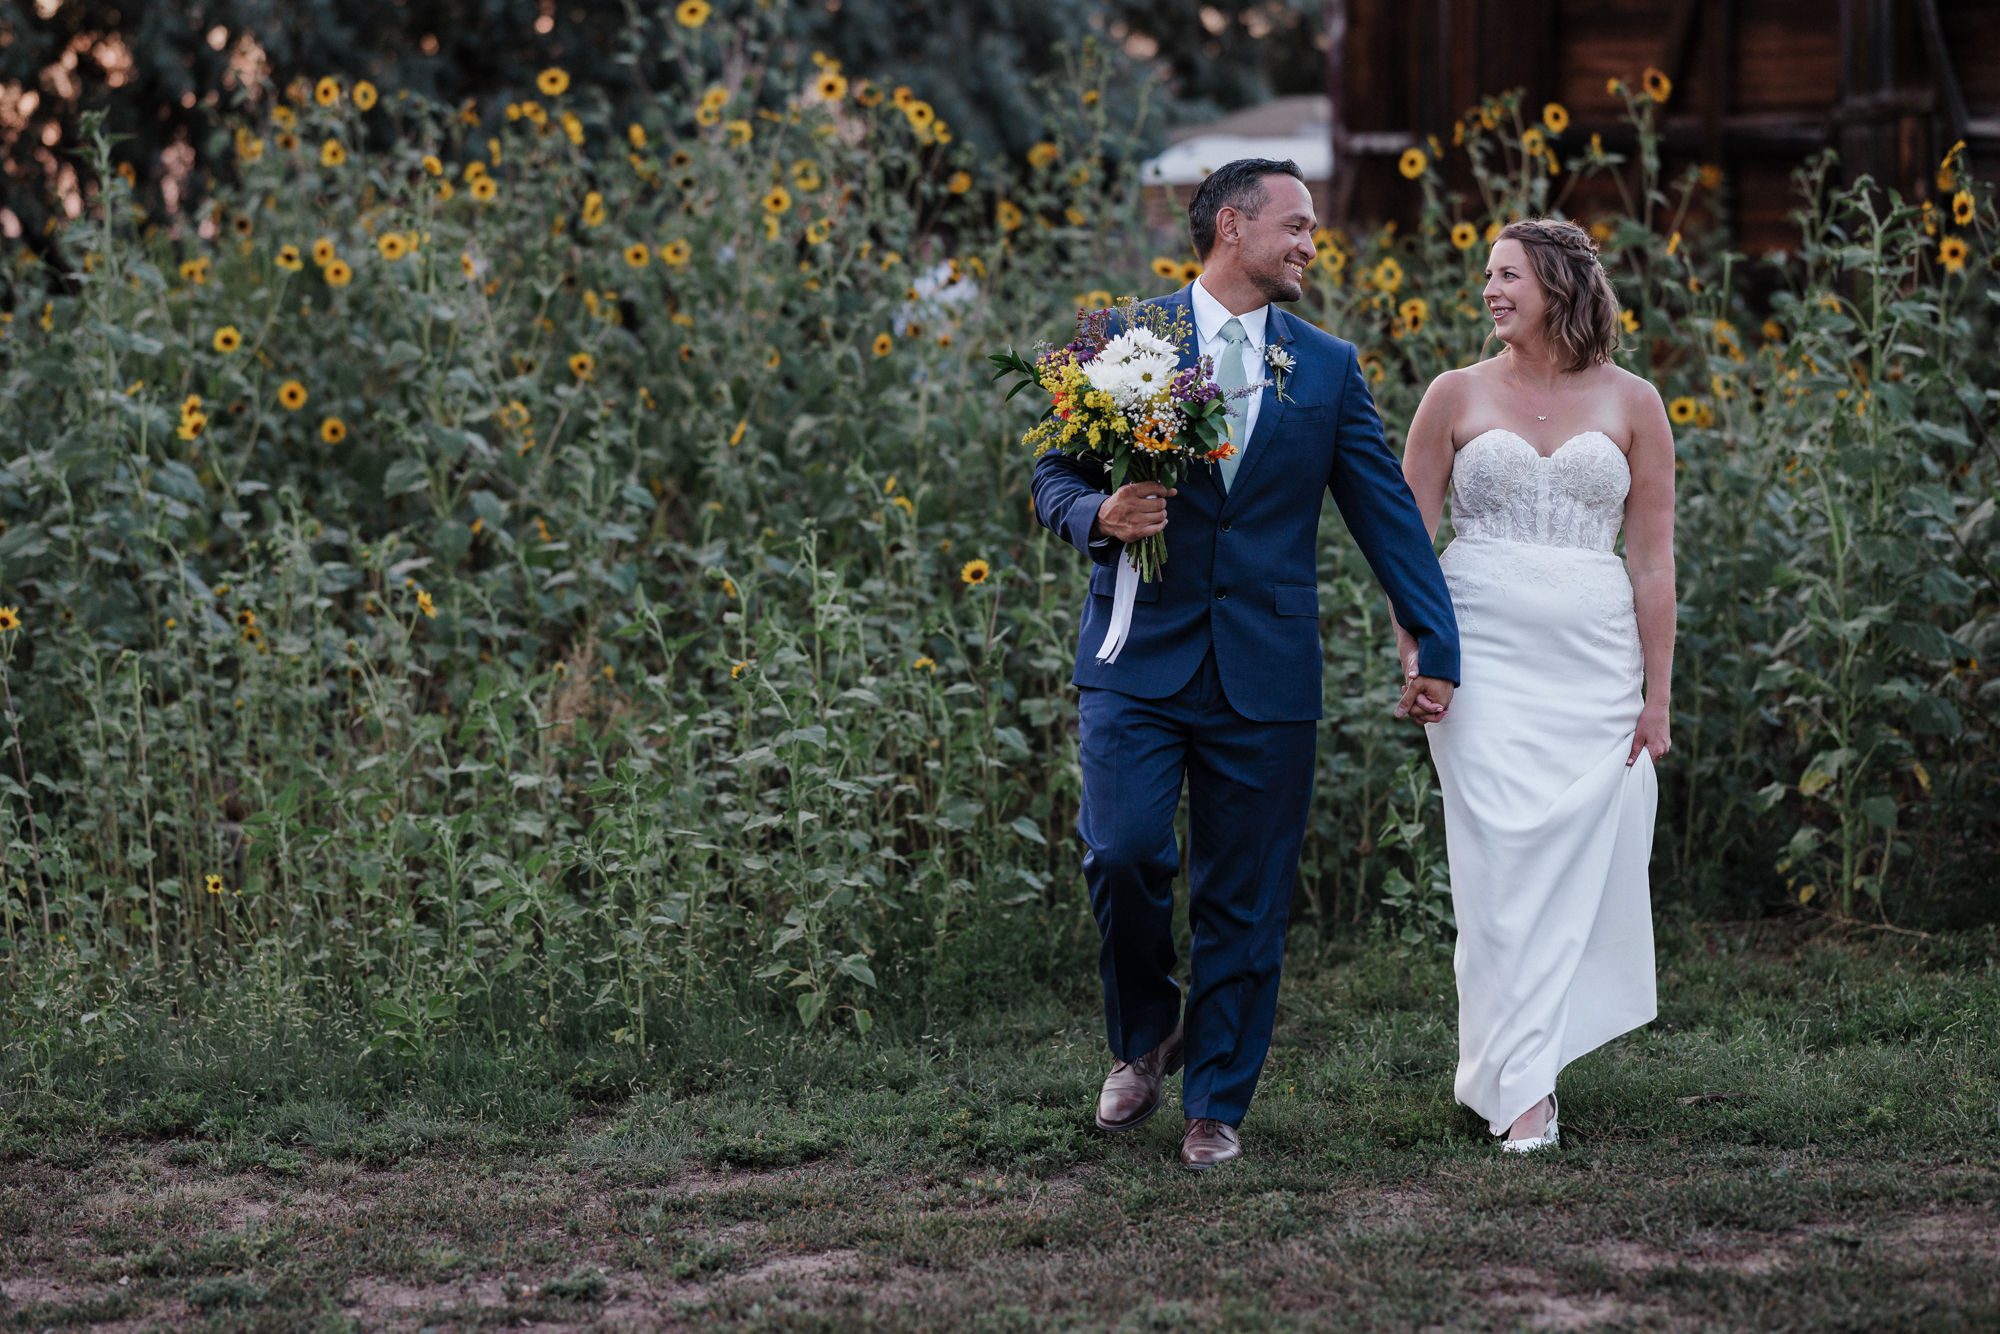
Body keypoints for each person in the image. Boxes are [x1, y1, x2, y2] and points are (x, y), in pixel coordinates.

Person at [1031, 159, 1460, 1170]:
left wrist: (1433, 639)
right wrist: (1095, 511)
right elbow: (1052, 471)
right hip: (1134, 655)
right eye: (1297, 224)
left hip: (1265, 667)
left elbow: (1385, 516)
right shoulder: (1117, 341)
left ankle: (1215, 1100)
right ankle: (1142, 1033)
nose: (1312, 242)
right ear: (1232, 225)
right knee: (1123, 850)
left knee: (1246, 894)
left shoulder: (1326, 366)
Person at [1396, 217, 1675, 1153]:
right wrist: (1418, 657)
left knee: (1570, 860)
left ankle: (1528, 1072)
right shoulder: (1453, 394)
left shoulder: (1635, 403)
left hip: (1595, 667)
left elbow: (1652, 563)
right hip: (1479, 662)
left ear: (1559, 284)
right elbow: (1408, 545)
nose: (1491, 290)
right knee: (1498, 865)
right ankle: (1522, 1092)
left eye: (1509, 274)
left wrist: (1658, 696)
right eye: (1488, 275)